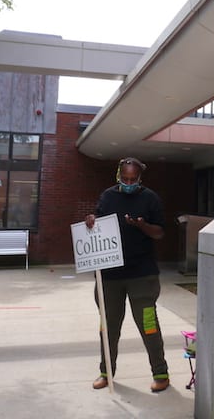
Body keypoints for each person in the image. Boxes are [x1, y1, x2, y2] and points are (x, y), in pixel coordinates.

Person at [84, 157, 170, 393]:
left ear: (140, 178)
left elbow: (160, 233)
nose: (129, 182)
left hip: (143, 275)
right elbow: (97, 225)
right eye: (125, 178)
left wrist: (142, 225)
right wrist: (91, 223)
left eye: (133, 179)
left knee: (148, 324)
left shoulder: (150, 198)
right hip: (110, 277)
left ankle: (160, 373)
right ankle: (106, 372)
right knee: (108, 327)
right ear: (118, 175)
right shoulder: (108, 197)